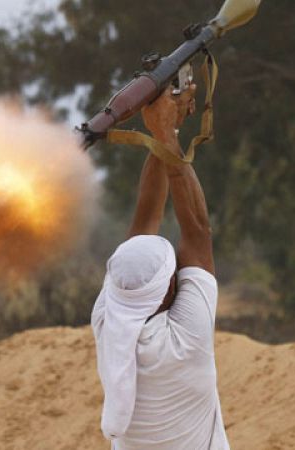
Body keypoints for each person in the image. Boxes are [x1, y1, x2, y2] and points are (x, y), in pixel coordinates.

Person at [91, 83, 229, 449]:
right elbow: (197, 230)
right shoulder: (186, 339)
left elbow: (145, 217)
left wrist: (163, 132)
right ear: (169, 288)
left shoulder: (109, 322)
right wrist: (166, 131)